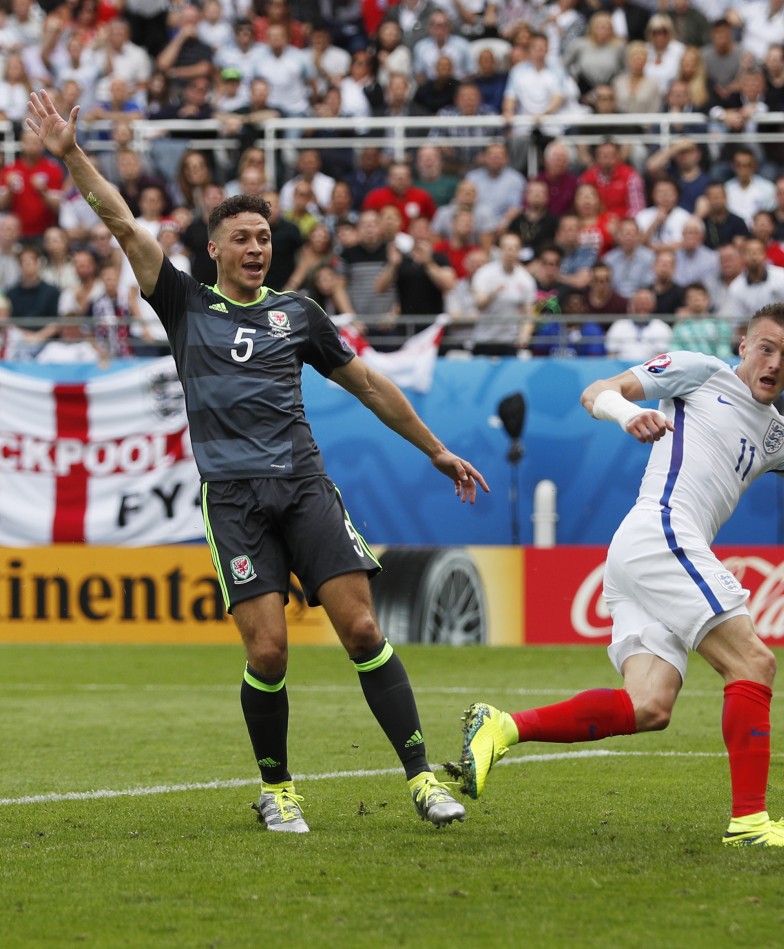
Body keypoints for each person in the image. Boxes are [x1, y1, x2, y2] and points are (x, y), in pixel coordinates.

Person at [24, 90, 488, 833]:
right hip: (233, 499)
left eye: (264, 237)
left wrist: (434, 448)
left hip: (303, 484)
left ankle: (421, 777)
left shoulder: (298, 313)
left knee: (362, 630)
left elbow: (367, 382)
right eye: (241, 237)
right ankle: (279, 786)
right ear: (214, 248)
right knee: (268, 650)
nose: (255, 248)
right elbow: (119, 221)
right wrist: (73, 154)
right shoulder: (182, 303)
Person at [455, 304, 784, 848]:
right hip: (662, 533)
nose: (775, 362)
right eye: (766, 348)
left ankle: (503, 727)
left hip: (644, 552)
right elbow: (597, 390)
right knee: (753, 661)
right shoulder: (699, 372)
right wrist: (627, 414)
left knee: (649, 706)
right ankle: (751, 823)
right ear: (743, 346)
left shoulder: (783, 438)